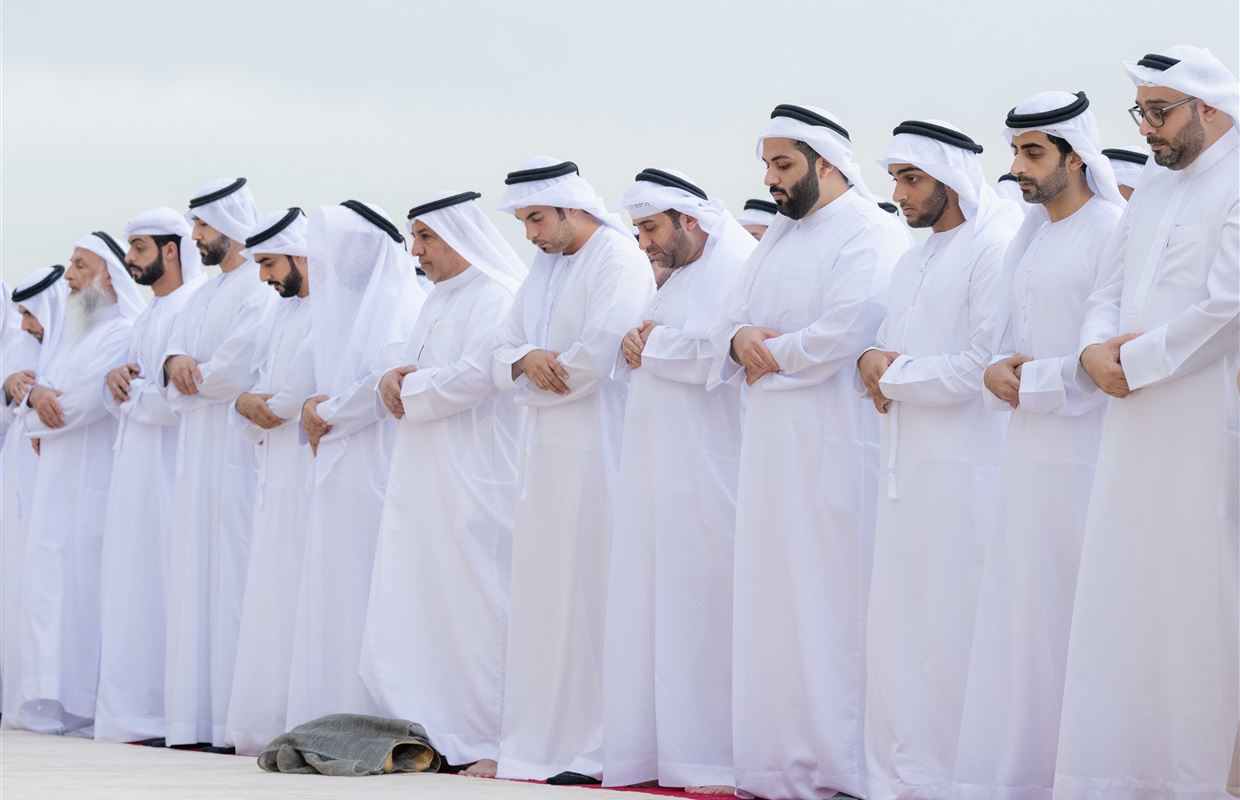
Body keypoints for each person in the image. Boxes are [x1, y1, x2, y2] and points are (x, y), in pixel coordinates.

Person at [1057, 45, 1239, 800]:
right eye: (1142, 113)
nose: (1149, 129)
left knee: (1200, 602)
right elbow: (1108, 286)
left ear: (1209, 108)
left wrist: (1139, 361)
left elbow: (1230, 307)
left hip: (1207, 424)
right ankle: (1122, 775)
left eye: (1160, 112)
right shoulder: (1157, 189)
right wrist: (1093, 352)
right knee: (1127, 595)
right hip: (1131, 425)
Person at [712, 103, 908, 800]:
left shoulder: (869, 234)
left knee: (830, 605)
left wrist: (767, 351)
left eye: (783, 164)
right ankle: (773, 766)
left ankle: (840, 769)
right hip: (770, 449)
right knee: (773, 601)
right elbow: (731, 318)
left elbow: (843, 334)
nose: (770, 178)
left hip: (834, 447)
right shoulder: (779, 239)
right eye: (766, 164)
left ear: (826, 163)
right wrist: (744, 344)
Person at [952, 90, 1125, 800]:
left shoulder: (1116, 228)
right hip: (1025, 454)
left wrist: (1036, 381)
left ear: (1075, 154)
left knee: (1083, 618)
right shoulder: (1027, 236)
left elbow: (1107, 358)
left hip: (1090, 455)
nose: (1018, 168)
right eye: (1015, 153)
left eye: (1033, 153)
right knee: (1024, 618)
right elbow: (999, 348)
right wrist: (995, 372)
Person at [860, 119, 1022, 800]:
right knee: (905, 630)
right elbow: (884, 351)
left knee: (958, 628)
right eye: (896, 178)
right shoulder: (910, 258)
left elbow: (978, 367)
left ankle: (961, 778)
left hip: (967, 473)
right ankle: (906, 776)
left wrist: (888, 376)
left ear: (950, 179)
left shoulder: (993, 246)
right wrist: (872, 362)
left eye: (911, 178)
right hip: (905, 473)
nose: (899, 192)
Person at [491, 157, 653, 784]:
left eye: (536, 218)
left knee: (594, 591)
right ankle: (544, 743)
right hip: (545, 456)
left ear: (571, 207)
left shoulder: (618, 259)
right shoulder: (543, 268)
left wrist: (529, 368)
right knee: (547, 595)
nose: (529, 234)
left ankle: (600, 746)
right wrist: (528, 358)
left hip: (600, 452)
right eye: (523, 221)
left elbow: (591, 363)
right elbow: (504, 346)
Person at [361, 190, 526, 778]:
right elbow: (404, 366)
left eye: (427, 237)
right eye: (415, 238)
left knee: (480, 604)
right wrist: (389, 380)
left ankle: (490, 736)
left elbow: (479, 376)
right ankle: (431, 730)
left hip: (477, 476)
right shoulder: (435, 300)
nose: (418, 250)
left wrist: (404, 388)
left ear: (459, 236)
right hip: (425, 475)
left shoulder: (498, 295)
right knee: (425, 598)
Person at [601, 168, 753, 793]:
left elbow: (722, 355)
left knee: (708, 607)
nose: (644, 244)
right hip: (661, 471)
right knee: (662, 607)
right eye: (637, 230)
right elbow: (639, 346)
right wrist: (648, 343)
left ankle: (716, 756)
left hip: (713, 471)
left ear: (690, 221)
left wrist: (654, 346)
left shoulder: (736, 266)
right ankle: (668, 751)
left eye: (651, 229)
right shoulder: (681, 276)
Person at [285, 201, 426, 728]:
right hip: (339, 465)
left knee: (368, 585)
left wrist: (323, 411)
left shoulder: (397, 300)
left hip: (377, 465)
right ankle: (330, 711)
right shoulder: (344, 308)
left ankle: (371, 718)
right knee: (335, 586)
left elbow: (384, 384)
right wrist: (316, 409)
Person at [13, 232, 142, 733]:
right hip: (56, 487)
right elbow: (38, 405)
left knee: (86, 592)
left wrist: (41, 409)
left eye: (81, 265)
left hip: (95, 484)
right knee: (48, 589)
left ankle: (84, 705)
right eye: (70, 264)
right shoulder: (73, 337)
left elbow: (81, 404)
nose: (69, 275)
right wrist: (38, 404)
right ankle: (49, 701)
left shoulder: (123, 331)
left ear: (108, 275)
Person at [162, 177, 273, 750]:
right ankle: (196, 720)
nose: (196, 236)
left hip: (234, 450)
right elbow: (172, 368)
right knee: (194, 576)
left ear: (228, 226)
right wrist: (179, 368)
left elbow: (232, 371)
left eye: (203, 226)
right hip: (196, 452)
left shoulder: (257, 285)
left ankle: (234, 719)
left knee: (232, 572)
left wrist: (189, 375)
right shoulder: (202, 295)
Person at [94, 209, 205, 744]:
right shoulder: (148, 316)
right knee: (133, 586)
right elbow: (135, 386)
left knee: (165, 585)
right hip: (136, 471)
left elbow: (177, 399)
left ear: (170, 249)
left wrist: (135, 391)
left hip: (172, 472)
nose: (130, 259)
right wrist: (118, 379)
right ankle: (134, 713)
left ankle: (165, 713)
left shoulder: (190, 309)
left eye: (138, 248)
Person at [224, 208, 315, 755]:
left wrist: (257, 403)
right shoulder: (281, 316)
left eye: (269, 264)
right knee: (273, 592)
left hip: (311, 474)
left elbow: (292, 394)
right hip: (275, 474)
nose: (263, 277)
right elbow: (252, 390)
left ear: (302, 256)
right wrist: (247, 402)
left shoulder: (332, 312)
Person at [0, 267, 67, 723]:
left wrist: (34, 402)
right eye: (20, 314)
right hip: (17, 480)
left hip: (59, 483)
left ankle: (52, 704)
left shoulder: (75, 346)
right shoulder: (19, 348)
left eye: (30, 314)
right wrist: (10, 392)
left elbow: (70, 404)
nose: (24, 324)